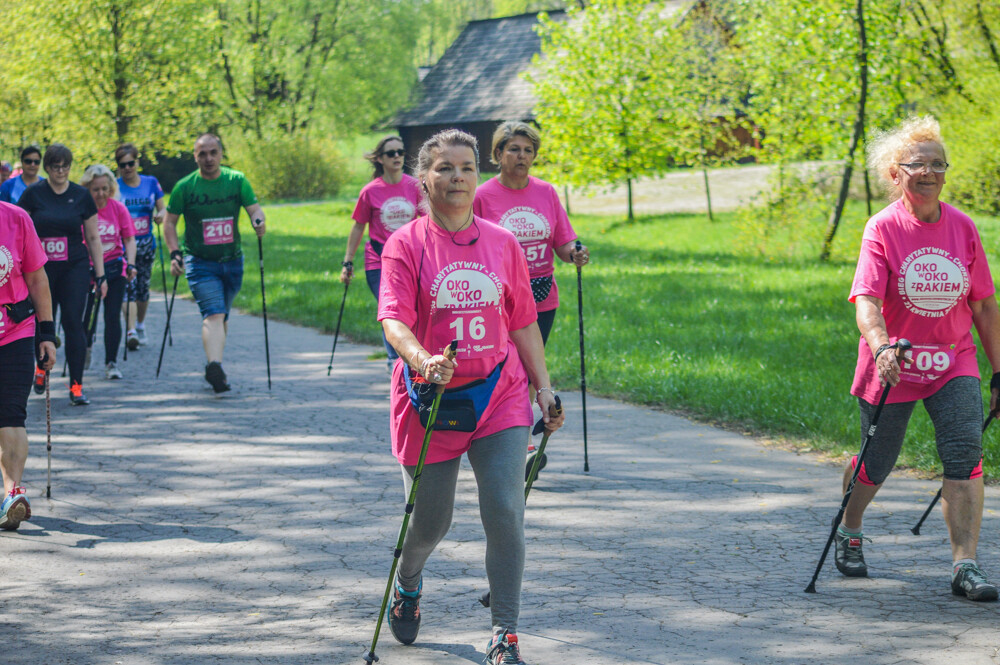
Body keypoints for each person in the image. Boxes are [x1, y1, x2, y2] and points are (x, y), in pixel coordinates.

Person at [377, 129, 564, 665]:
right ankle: (409, 579)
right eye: (444, 168)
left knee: (505, 510)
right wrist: (423, 360)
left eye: (465, 168)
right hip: (430, 401)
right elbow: (393, 318)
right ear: (424, 178)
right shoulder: (406, 244)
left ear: (476, 175)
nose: (456, 177)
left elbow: (524, 322)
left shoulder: (502, 242)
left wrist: (544, 388)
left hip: (498, 395)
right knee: (431, 522)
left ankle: (505, 631)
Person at [837, 115, 1000, 601]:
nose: (928, 172)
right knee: (878, 460)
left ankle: (965, 565)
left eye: (937, 163)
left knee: (964, 452)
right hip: (893, 364)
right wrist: (882, 346)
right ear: (895, 173)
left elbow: (984, 305)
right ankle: (850, 527)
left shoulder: (964, 228)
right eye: (917, 164)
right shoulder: (882, 228)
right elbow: (866, 300)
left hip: (954, 362)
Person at [164, 133, 265, 393]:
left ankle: (215, 363)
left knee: (221, 315)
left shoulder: (236, 180)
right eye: (202, 154)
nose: (208, 158)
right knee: (214, 313)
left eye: (212, 152)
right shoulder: (185, 187)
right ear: (195, 156)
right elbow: (170, 222)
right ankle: (215, 366)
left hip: (232, 262)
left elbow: (254, 209)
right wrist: (175, 253)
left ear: (220, 154)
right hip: (200, 262)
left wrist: (259, 221)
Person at [473, 121, 589, 347]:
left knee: (534, 364)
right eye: (514, 149)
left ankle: (535, 386)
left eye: (528, 151)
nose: (522, 156)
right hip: (502, 293)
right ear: (499, 153)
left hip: (542, 293)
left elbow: (563, 243)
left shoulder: (546, 192)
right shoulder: (481, 196)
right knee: (507, 362)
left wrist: (576, 253)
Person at [18, 144, 106, 406]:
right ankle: (41, 369)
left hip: (74, 267)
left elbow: (92, 236)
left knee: (73, 324)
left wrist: (100, 276)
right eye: (55, 166)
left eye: (65, 166)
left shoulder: (81, 195)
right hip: (42, 269)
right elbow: (20, 230)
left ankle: (76, 385)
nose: (60, 171)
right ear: (47, 168)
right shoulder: (33, 194)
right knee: (44, 322)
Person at [340, 136, 421, 370]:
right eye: (391, 153)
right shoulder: (370, 191)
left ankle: (410, 355)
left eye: (400, 151)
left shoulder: (414, 186)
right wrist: (347, 262)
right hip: (378, 260)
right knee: (391, 309)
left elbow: (425, 221)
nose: (397, 156)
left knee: (411, 309)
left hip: (409, 259)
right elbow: (358, 226)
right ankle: (394, 359)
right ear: (380, 159)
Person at [0, 201, 57, 529]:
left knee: (10, 412)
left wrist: (47, 334)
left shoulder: (16, 219)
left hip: (15, 331)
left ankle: (12, 495)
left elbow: (37, 279)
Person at [81, 165, 137, 380]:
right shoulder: (83, 209)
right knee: (88, 317)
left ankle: (111, 362)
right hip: (88, 270)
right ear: (88, 189)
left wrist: (131, 264)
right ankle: (84, 349)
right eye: (96, 189)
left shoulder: (118, 208)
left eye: (105, 188)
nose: (101, 194)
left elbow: (129, 239)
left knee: (112, 316)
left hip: (115, 268)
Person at [116, 143, 165, 349]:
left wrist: (160, 216)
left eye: (131, 163)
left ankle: (140, 324)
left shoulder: (151, 182)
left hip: (146, 242)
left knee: (143, 289)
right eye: (122, 164)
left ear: (137, 162)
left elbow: (163, 208)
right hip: (122, 244)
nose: (127, 168)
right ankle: (131, 330)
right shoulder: (114, 186)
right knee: (128, 288)